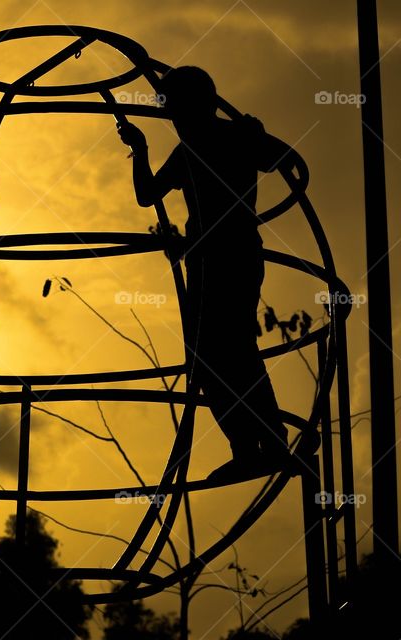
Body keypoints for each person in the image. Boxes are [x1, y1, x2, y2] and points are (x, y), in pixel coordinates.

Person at [116, 66, 293, 481]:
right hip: (210, 258)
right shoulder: (194, 147)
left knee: (229, 349)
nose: (175, 120)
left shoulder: (226, 138)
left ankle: (268, 442)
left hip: (229, 256)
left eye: (177, 111)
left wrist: (256, 133)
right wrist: (140, 150)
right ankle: (251, 446)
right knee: (211, 356)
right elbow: (148, 196)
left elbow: (281, 159)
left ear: (198, 107)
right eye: (171, 113)